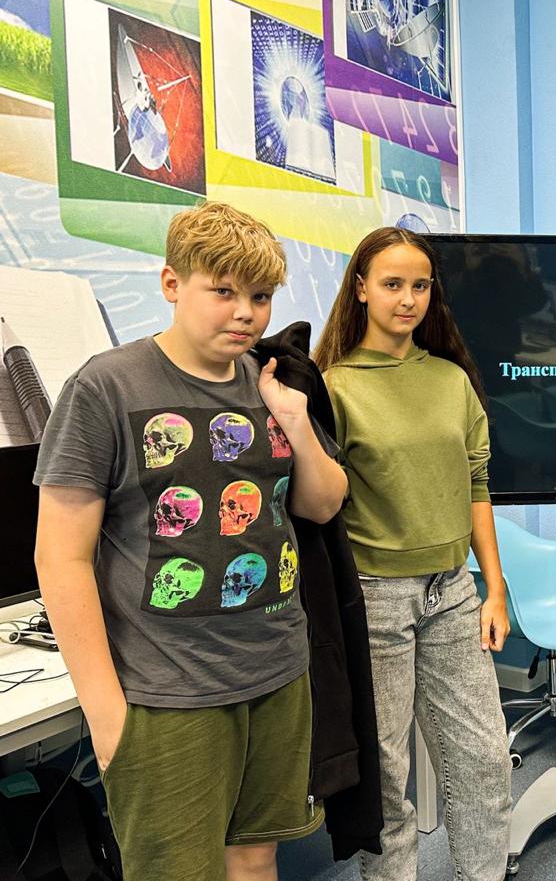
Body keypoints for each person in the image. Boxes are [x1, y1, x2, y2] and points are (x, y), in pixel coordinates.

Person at [33, 201, 349, 881]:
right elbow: (60, 556)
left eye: (260, 297)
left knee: (257, 856)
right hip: (167, 688)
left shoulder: (269, 382)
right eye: (224, 291)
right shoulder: (107, 387)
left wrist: (294, 420)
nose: (245, 313)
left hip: (276, 671)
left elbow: (323, 503)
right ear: (172, 284)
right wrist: (106, 714)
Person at [314, 227, 512, 881]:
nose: (407, 299)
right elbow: (318, 501)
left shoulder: (451, 380)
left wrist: (495, 587)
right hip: (374, 599)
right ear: (361, 289)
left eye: (420, 285)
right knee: (386, 774)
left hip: (453, 592)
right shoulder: (334, 388)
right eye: (392, 284)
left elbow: (476, 483)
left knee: (484, 760)